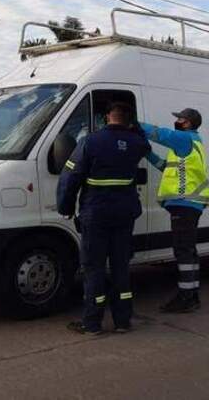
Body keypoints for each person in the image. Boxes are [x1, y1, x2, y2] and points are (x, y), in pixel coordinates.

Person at [58, 101, 151, 335]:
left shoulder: (90, 141)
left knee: (94, 269)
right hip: (125, 213)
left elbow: (71, 176)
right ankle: (122, 321)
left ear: (107, 116)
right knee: (121, 267)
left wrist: (65, 206)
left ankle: (92, 324)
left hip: (96, 214)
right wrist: (134, 127)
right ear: (129, 120)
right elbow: (145, 145)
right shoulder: (137, 143)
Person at [141, 108, 209, 313]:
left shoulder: (184, 138)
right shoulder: (191, 142)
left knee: (183, 251)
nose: (177, 121)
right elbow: (167, 167)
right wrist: (148, 154)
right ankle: (192, 294)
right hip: (188, 204)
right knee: (189, 250)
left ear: (188, 123)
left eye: (180, 118)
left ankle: (185, 298)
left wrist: (131, 123)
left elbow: (158, 133)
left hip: (185, 203)